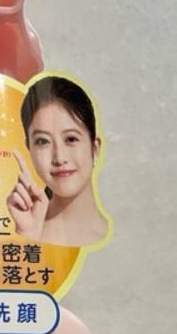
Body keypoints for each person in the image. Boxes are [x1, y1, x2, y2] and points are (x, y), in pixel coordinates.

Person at [7, 76, 108, 246]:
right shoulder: (24, 231)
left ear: (94, 147)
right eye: (42, 141)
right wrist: (27, 236)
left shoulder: (129, 233)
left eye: (71, 139)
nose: (59, 158)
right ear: (29, 148)